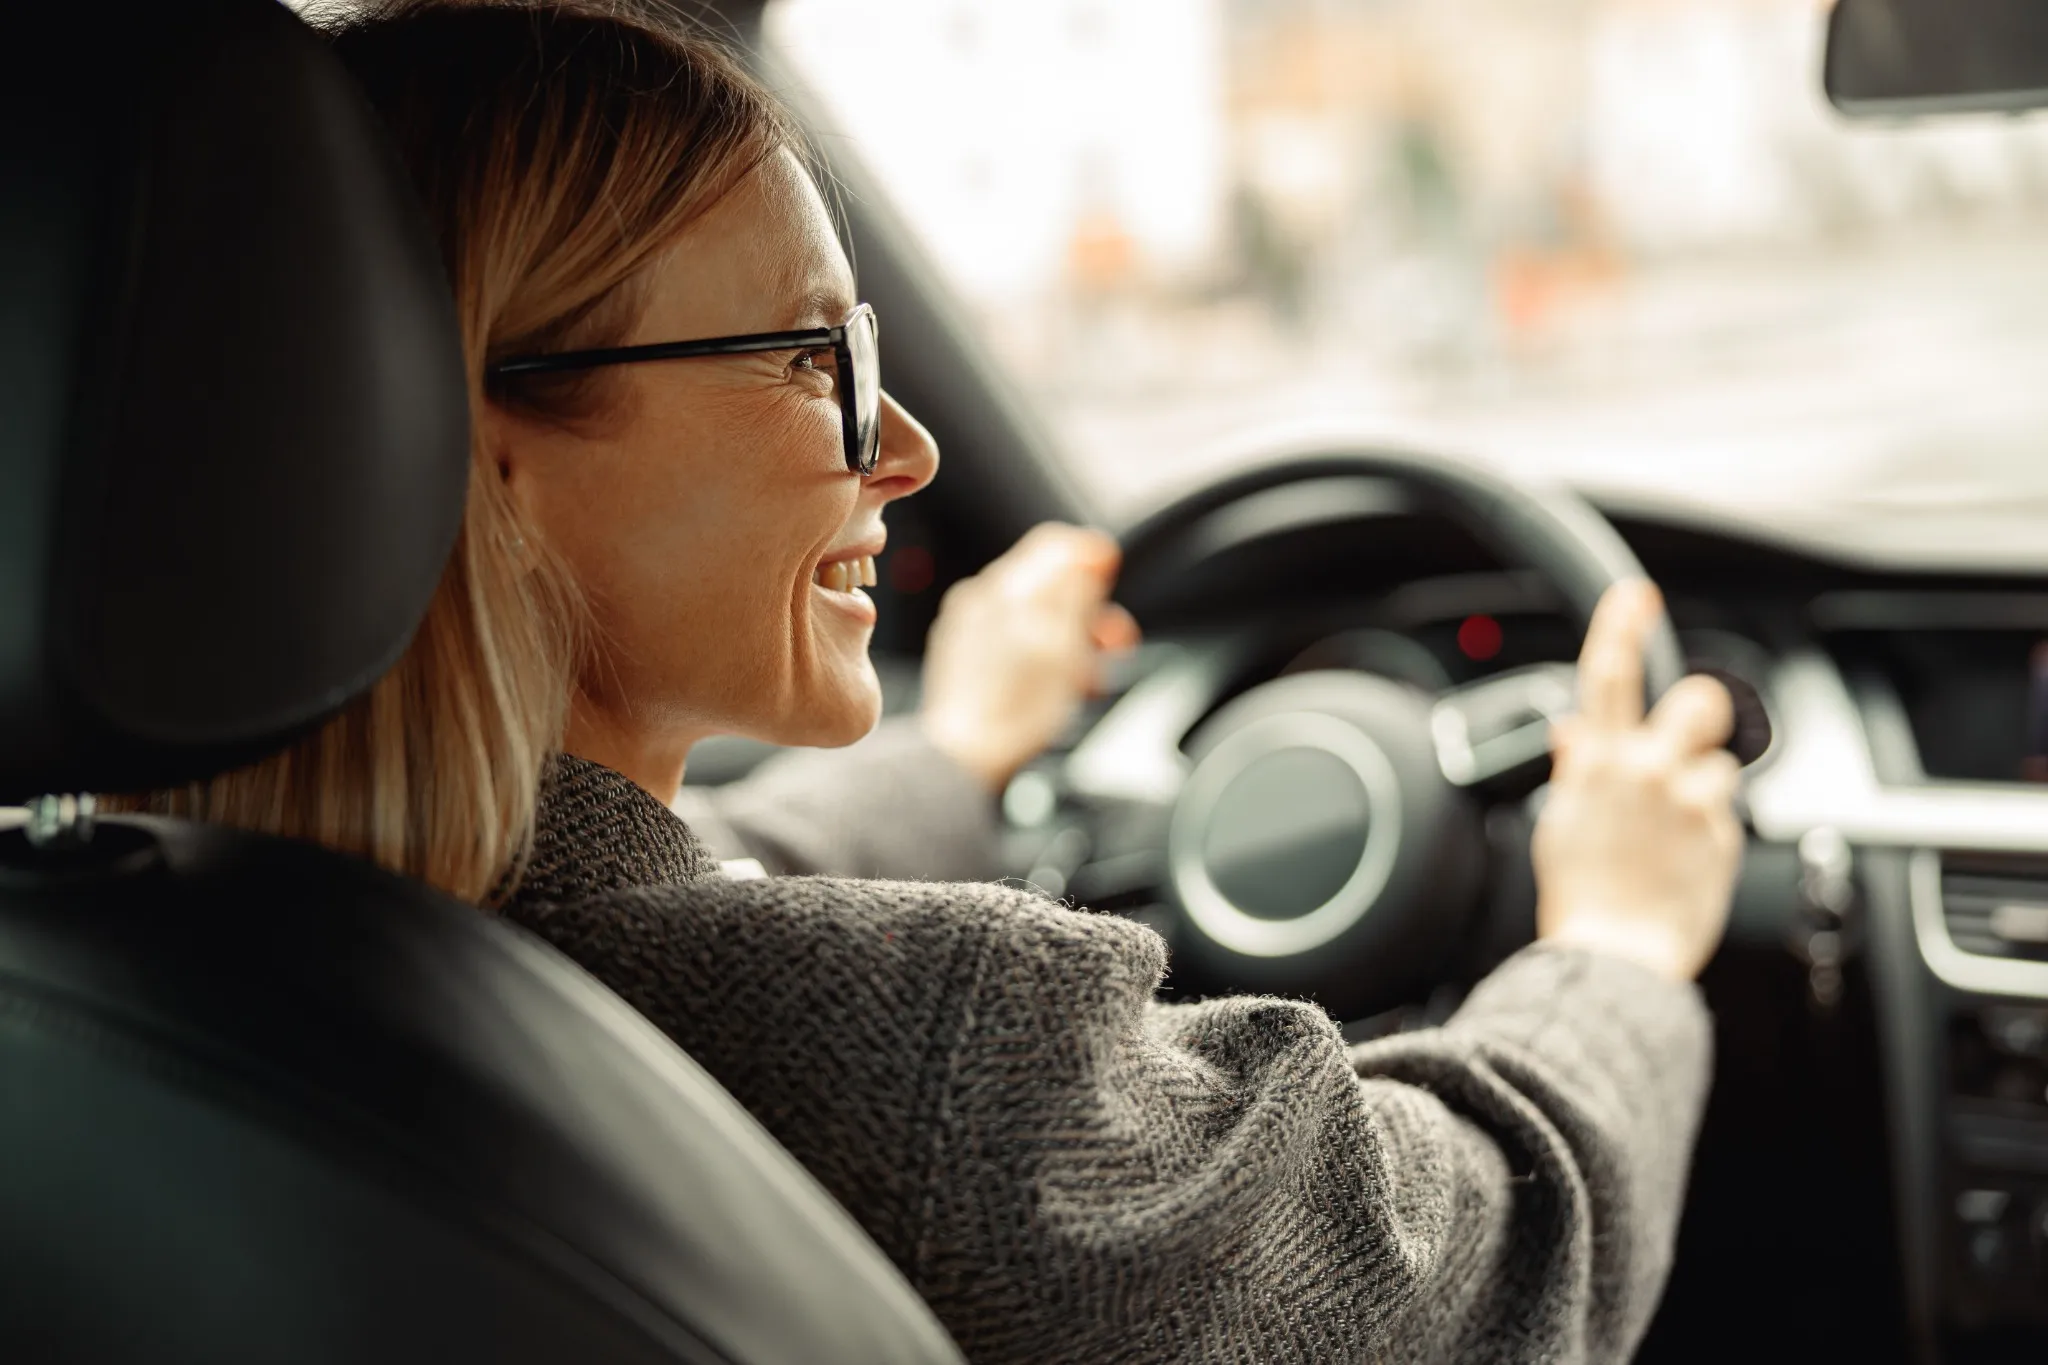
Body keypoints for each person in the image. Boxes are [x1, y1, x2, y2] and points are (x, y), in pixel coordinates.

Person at [130, 2, 1746, 1360]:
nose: (906, 450)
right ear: (490, 459)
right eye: (812, 362)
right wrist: (1612, 944)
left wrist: (963, 752)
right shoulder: (942, 1049)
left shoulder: (150, 946)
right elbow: (1478, 1268)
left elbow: (698, 902)